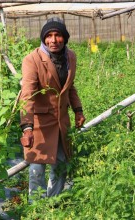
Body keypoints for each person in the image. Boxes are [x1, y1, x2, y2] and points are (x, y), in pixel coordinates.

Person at [19, 17, 86, 200]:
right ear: (43, 38)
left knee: (61, 165)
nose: (53, 40)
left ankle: (54, 204)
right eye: (49, 36)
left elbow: (70, 87)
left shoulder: (70, 57)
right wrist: (27, 127)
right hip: (40, 124)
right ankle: (37, 209)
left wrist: (78, 111)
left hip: (61, 121)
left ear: (65, 38)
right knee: (37, 169)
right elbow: (27, 94)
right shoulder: (32, 60)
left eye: (58, 35)